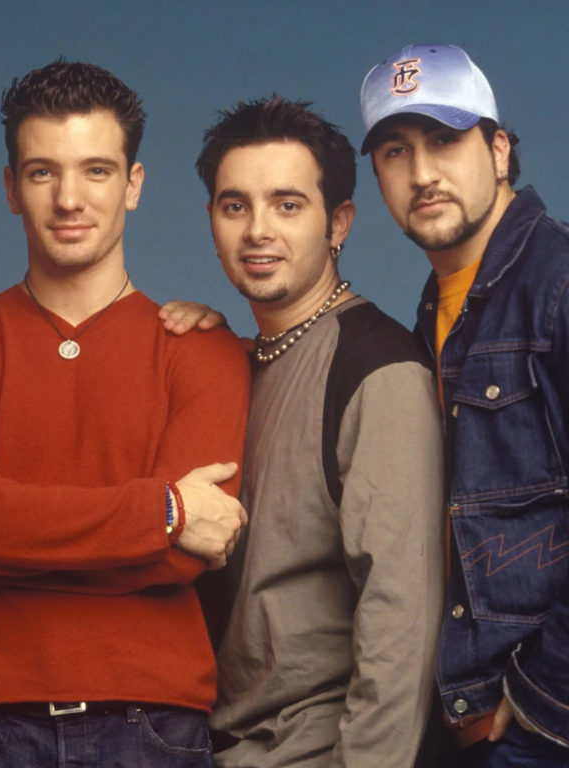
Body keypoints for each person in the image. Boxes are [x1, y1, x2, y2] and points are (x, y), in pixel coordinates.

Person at [0, 60, 250, 767]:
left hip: (153, 720)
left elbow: (185, 559)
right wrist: (163, 511)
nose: (68, 199)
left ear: (133, 185)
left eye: (95, 170)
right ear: (10, 188)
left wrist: (2, 544)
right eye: (42, 172)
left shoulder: (204, 350)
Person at [194, 97, 444, 767]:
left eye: (288, 205)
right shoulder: (238, 362)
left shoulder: (377, 370)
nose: (258, 231)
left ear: (338, 223)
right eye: (235, 206)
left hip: (317, 751)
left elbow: (402, 620)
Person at [361, 43, 569, 764]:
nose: (422, 173)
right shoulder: (437, 312)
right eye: (395, 151)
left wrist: (544, 694)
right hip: (468, 722)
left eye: (445, 140)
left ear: (499, 150)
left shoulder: (558, 284)